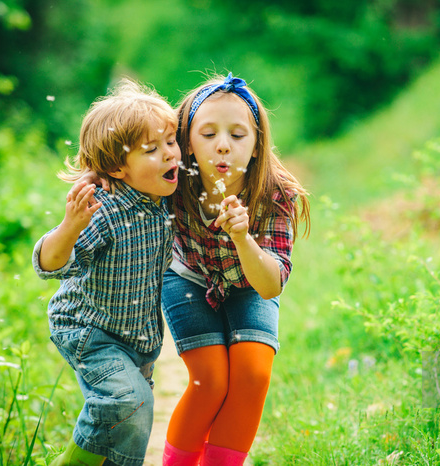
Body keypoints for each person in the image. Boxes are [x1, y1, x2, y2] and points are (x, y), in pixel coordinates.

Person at [161, 72, 311, 466]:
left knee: (253, 374)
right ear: (187, 143)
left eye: (238, 135)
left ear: (258, 143)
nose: (223, 146)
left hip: (250, 283)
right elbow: (123, 170)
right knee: (209, 381)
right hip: (187, 276)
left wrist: (244, 238)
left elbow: (269, 286)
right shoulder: (174, 183)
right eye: (208, 135)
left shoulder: (275, 194)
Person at [32, 78, 181, 466]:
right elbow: (49, 266)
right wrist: (70, 227)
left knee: (134, 418)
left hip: (137, 336)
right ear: (118, 167)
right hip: (88, 329)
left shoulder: (166, 198)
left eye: (171, 141)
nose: (170, 155)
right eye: (152, 149)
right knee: (127, 402)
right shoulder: (105, 210)